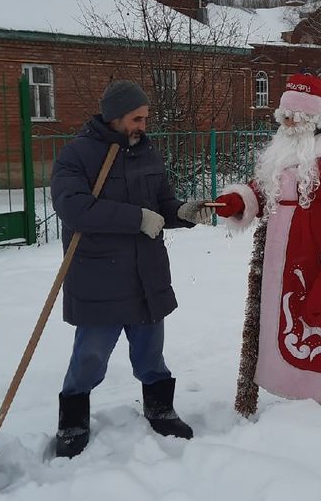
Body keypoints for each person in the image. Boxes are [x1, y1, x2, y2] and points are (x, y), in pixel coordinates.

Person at [50, 80, 212, 459]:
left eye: (145, 118)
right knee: (89, 356)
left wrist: (183, 213)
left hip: (146, 274)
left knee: (151, 354)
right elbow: (74, 209)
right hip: (99, 276)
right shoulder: (76, 155)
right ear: (114, 118)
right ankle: (73, 419)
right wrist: (136, 218)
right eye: (136, 118)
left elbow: (162, 204)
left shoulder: (148, 154)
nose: (143, 125)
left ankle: (160, 407)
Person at [215, 73, 321, 427]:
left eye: (293, 116)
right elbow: (263, 190)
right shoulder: (285, 149)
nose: (286, 122)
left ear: (314, 117)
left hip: (319, 259)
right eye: (283, 115)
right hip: (281, 264)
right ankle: (299, 393)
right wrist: (238, 200)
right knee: (289, 326)